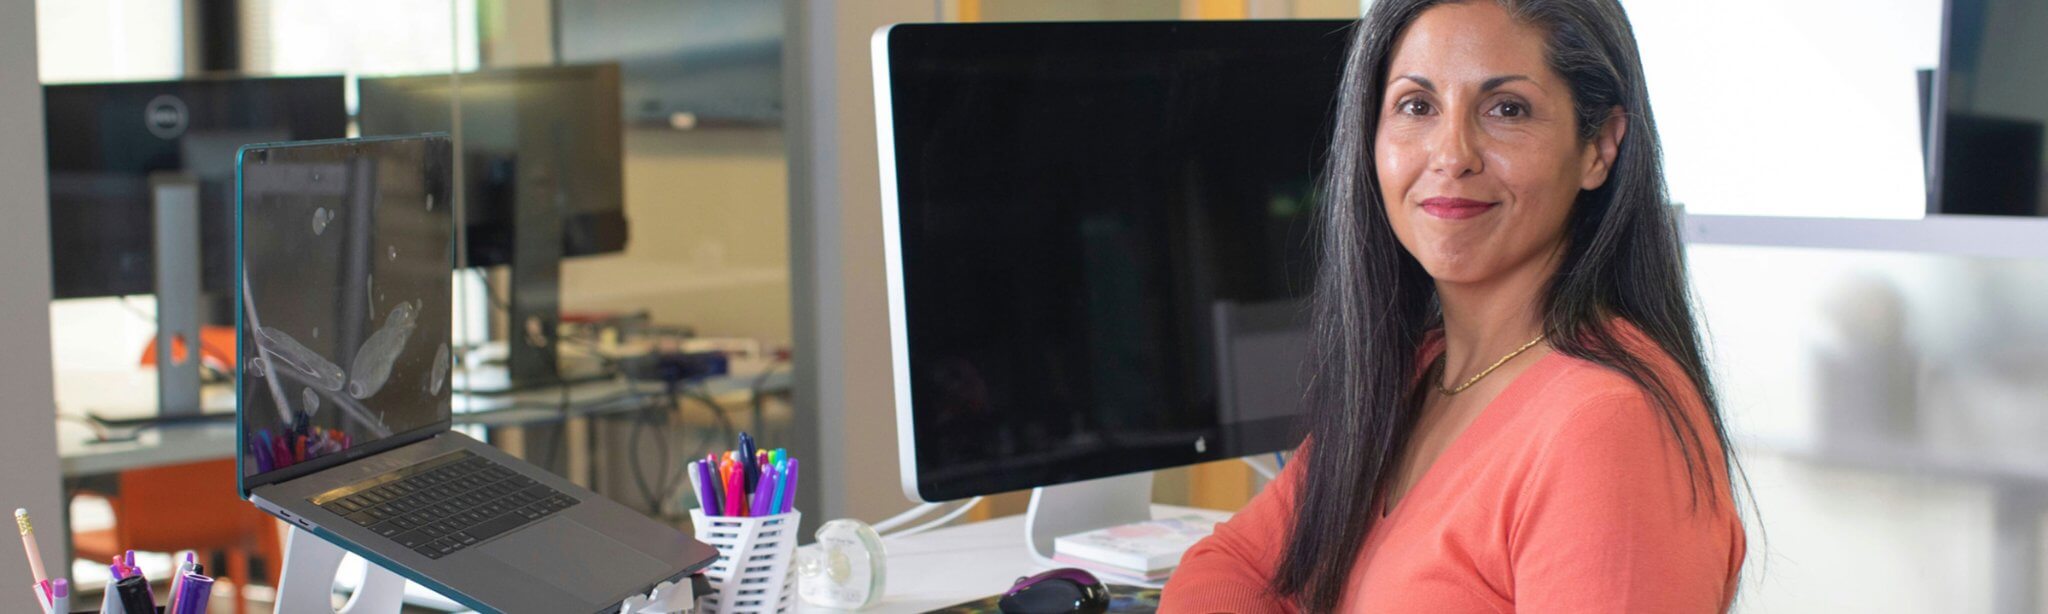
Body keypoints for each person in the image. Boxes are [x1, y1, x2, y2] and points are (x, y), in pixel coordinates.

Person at [1160, 1, 1747, 611]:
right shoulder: (1421, 370)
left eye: (1507, 109)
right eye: (1417, 106)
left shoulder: (1608, 425)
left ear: (1598, 147)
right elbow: (1229, 567)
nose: (1451, 153)